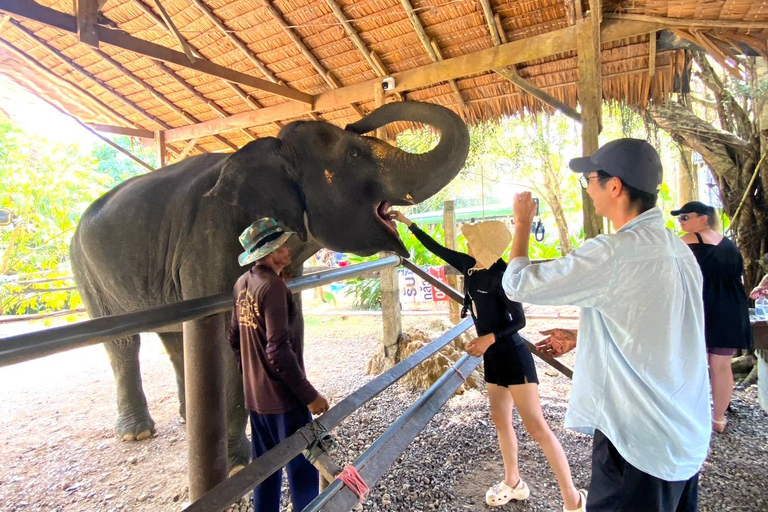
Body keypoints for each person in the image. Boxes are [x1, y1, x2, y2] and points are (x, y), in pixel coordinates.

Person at [502, 138, 711, 512]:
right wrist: (585, 335)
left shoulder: (614, 252)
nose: (587, 187)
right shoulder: (678, 250)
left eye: (591, 178)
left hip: (638, 443)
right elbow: (660, 324)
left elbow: (517, 284)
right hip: (683, 437)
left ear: (614, 186)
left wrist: (521, 224)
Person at [388, 211, 585, 511]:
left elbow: (519, 320)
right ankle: (513, 482)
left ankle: (572, 499)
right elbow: (436, 249)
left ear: (486, 247)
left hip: (514, 358)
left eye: (472, 240)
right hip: (492, 359)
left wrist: (488, 338)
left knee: (536, 428)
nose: (467, 244)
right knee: (500, 419)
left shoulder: (503, 276)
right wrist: (408, 223)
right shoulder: (470, 267)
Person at [228, 217, 330, 512]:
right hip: (284, 400)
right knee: (302, 468)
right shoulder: (272, 288)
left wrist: (252, 376)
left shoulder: (242, 283)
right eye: (283, 245)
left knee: (265, 469)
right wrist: (309, 395)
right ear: (270, 252)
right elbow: (278, 350)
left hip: (256, 398)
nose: (288, 249)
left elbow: (234, 338)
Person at [672, 201, 752, 433]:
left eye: (685, 217)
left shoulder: (687, 242)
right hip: (731, 308)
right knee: (721, 365)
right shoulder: (729, 245)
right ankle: (718, 419)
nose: (681, 221)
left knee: (692, 363)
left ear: (703, 218)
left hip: (702, 308)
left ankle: (690, 415)